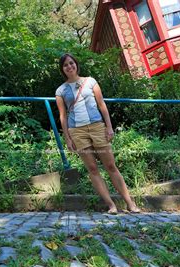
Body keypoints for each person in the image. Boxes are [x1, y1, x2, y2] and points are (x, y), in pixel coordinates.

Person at [55, 53, 141, 214]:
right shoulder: (60, 91)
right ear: (62, 69)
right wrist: (67, 138)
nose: (69, 66)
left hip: (97, 127)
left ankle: (130, 203)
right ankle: (111, 205)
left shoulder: (90, 81)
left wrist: (109, 127)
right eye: (65, 65)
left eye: (71, 63)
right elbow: (62, 116)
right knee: (93, 169)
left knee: (110, 165)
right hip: (77, 131)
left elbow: (102, 105)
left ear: (76, 64)